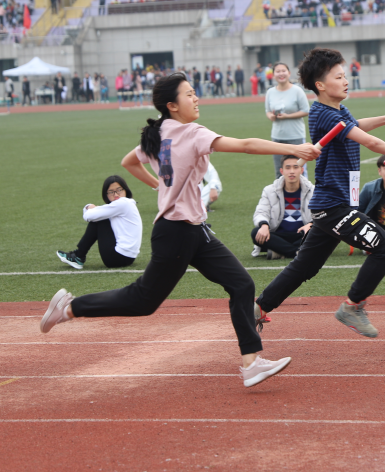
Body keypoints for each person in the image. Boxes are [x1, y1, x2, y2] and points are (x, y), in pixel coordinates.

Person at [39, 72, 321, 388]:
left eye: (194, 92)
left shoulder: (158, 133)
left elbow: (129, 162)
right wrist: (295, 149)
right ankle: (70, 308)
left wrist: (160, 187)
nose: (196, 97)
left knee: (241, 284)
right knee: (143, 301)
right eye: (189, 94)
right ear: (172, 105)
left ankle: (251, 362)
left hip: (194, 229)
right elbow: (244, 145)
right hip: (175, 232)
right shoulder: (191, 132)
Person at [254, 48, 385, 340]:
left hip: (331, 205)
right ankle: (353, 306)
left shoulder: (337, 110)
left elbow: (356, 126)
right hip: (333, 206)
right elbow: (368, 141)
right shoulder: (322, 113)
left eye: (345, 74)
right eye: (338, 76)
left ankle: (258, 308)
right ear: (320, 85)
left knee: (305, 266)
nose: (346, 80)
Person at [56, 176, 142, 270]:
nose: (116, 194)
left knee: (100, 219)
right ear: (106, 194)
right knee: (101, 217)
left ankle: (78, 256)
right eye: (111, 192)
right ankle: (78, 256)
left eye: (119, 190)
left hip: (117, 258)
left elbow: (88, 216)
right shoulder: (126, 204)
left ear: (125, 190)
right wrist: (92, 208)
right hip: (129, 258)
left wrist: (88, 207)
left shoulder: (122, 203)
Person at [252, 155, 314, 259]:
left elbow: (322, 214)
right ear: (282, 171)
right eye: (288, 168)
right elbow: (261, 212)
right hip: (279, 235)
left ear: (301, 170)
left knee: (320, 232)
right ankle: (297, 252)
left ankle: (280, 252)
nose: (292, 171)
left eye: (295, 167)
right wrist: (264, 225)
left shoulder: (313, 190)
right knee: (255, 232)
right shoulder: (269, 190)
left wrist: (311, 225)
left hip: (302, 234)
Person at [265, 62, 310, 179]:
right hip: (277, 137)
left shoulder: (297, 91)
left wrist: (287, 116)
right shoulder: (270, 92)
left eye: (283, 71)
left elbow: (306, 110)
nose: (281, 74)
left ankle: (305, 197)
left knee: (300, 171)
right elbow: (268, 111)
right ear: (273, 75)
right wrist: (271, 116)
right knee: (279, 172)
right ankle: (281, 197)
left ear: (289, 73)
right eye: (278, 71)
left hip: (296, 136)